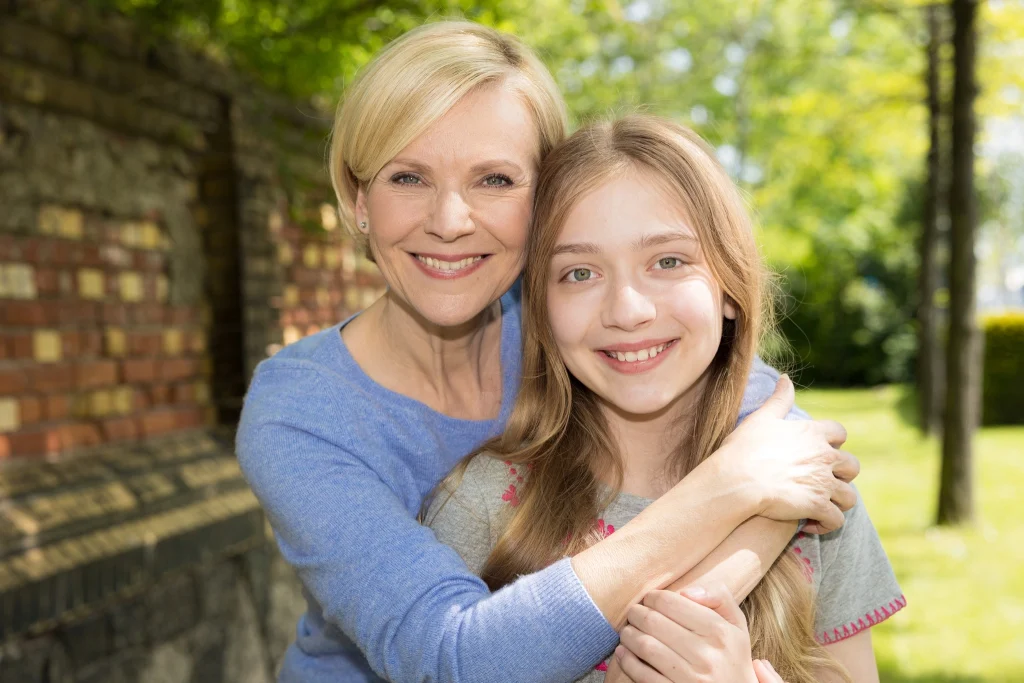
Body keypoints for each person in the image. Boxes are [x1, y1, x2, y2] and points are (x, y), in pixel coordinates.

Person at [236, 21, 860, 683]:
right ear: (359, 201)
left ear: (545, 204)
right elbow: (454, 661)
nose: (449, 220)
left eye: (495, 180)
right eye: (408, 176)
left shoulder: (579, 325)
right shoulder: (300, 410)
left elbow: (772, 428)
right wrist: (725, 495)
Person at [426, 115, 904, 683]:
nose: (628, 310)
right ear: (541, 311)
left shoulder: (808, 493)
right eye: (579, 272)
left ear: (729, 286)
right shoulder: (485, 507)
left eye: (668, 262)